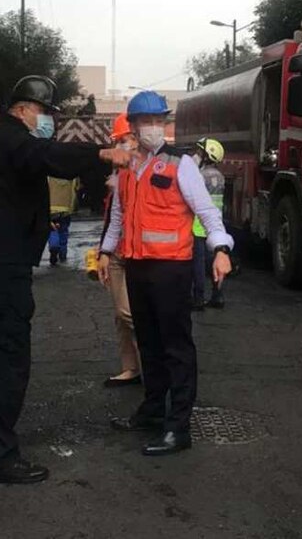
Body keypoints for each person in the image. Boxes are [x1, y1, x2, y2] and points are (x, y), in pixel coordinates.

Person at [0, 75, 134, 484]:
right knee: (7, 361)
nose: (48, 120)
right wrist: (102, 153)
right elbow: (47, 156)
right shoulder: (12, 138)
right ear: (25, 109)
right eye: (46, 112)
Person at [98, 90, 234, 456]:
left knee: (176, 348)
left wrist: (221, 250)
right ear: (134, 125)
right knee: (151, 345)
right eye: (147, 121)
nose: (154, 128)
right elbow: (118, 218)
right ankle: (153, 411)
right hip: (138, 267)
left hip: (171, 269)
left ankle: (178, 428)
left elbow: (207, 213)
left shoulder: (180, 164)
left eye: (160, 121)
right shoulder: (127, 169)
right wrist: (105, 252)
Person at [100, 112, 141, 387]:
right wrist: (104, 251)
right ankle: (131, 368)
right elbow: (115, 214)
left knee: (130, 313)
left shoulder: (154, 166)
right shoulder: (119, 170)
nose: (124, 144)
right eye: (121, 140)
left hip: (141, 251)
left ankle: (157, 365)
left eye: (127, 139)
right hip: (117, 250)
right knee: (120, 314)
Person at [189, 137, 227, 311]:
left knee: (198, 264)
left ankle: (198, 298)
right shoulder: (220, 177)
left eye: (199, 152)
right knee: (214, 262)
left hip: (198, 226)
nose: (196, 155)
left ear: (207, 156)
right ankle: (217, 296)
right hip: (215, 226)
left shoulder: (199, 176)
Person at [46, 175, 78, 265]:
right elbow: (76, 188)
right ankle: (63, 254)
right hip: (66, 210)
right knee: (63, 231)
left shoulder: (49, 174)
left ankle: (54, 246)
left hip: (51, 208)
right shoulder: (70, 174)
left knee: (52, 230)